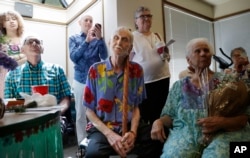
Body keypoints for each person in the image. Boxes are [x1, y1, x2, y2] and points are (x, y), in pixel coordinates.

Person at [151, 38, 250, 158]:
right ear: (188, 60)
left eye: (206, 50)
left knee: (217, 155)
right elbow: (169, 115)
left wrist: (222, 122)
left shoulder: (229, 82)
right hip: (186, 136)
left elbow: (244, 117)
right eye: (197, 51)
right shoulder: (179, 86)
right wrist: (159, 121)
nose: (203, 53)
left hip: (223, 134)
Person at [83, 26, 163, 158]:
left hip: (130, 124)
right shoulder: (95, 70)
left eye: (124, 40)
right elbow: (89, 111)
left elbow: (136, 107)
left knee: (157, 141)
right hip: (103, 127)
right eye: (116, 38)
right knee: (94, 154)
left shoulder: (137, 70)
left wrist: (133, 132)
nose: (119, 42)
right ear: (109, 42)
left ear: (130, 48)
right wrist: (110, 135)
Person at [4, 34, 72, 119]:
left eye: (37, 42)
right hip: (23, 123)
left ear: (42, 49)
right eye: (29, 42)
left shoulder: (57, 69)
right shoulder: (11, 75)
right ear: (22, 50)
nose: (34, 44)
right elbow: (9, 103)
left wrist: (57, 114)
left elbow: (66, 97)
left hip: (54, 121)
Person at [69, 14, 108, 145]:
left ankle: (96, 140)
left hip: (96, 81)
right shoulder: (73, 38)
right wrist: (86, 42)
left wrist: (100, 38)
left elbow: (104, 56)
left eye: (91, 20)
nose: (89, 22)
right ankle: (82, 142)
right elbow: (74, 57)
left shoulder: (98, 40)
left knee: (97, 112)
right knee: (80, 114)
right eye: (86, 20)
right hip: (80, 80)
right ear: (80, 22)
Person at [130, 6, 171, 124]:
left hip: (163, 78)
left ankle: (161, 134)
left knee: (161, 110)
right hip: (145, 82)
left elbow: (167, 58)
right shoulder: (132, 37)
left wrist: (166, 53)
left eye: (149, 16)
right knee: (147, 114)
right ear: (136, 21)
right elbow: (129, 63)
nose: (146, 18)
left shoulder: (157, 35)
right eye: (142, 16)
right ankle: (150, 138)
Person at [0, 10, 27, 98]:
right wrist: (21, 57)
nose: (12, 21)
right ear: (3, 24)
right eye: (7, 20)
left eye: (14, 19)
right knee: (7, 103)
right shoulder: (1, 41)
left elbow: (31, 58)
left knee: (24, 102)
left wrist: (12, 59)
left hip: (24, 75)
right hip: (5, 77)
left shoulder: (26, 39)